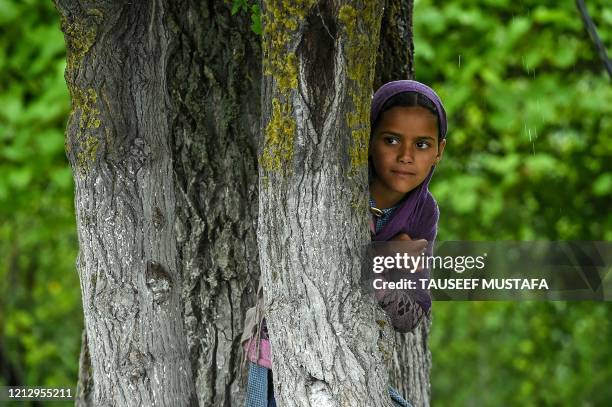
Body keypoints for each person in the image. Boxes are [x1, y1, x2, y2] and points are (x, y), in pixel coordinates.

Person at [241, 80, 447, 407]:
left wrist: (369, 267)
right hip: (282, 356)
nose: (406, 156)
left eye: (422, 144)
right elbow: (313, 273)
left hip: (351, 360)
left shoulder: (422, 213)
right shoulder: (338, 188)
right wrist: (388, 256)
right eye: (391, 140)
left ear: (439, 151)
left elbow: (411, 314)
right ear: (368, 139)